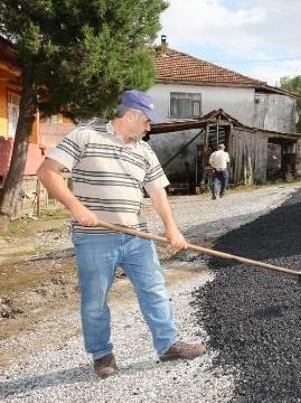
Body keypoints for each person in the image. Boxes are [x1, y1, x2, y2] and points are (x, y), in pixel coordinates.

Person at [36, 90, 206, 379]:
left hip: (137, 236)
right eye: (147, 121)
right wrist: (77, 209)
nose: (149, 127)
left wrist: (171, 227)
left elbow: (157, 192)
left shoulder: (144, 150)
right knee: (95, 299)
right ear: (130, 116)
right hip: (95, 237)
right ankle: (102, 355)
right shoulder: (85, 137)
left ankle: (168, 345)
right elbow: (47, 172)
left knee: (154, 289)